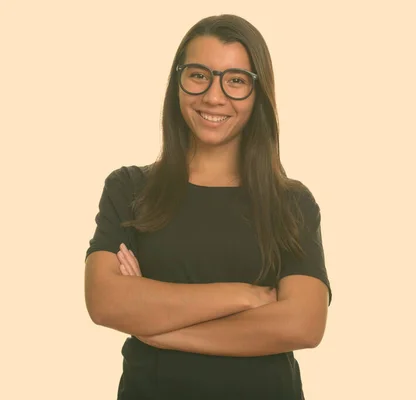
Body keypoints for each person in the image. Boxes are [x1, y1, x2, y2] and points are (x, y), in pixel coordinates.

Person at [83, 14, 332, 399]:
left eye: (235, 81)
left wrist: (159, 326)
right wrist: (244, 296)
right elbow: (104, 300)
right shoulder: (130, 188)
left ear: (257, 93)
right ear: (177, 82)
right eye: (199, 75)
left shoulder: (291, 203)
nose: (214, 97)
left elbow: (303, 325)